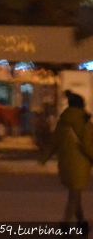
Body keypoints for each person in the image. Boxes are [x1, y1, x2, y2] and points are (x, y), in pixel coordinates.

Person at [41, 90, 93, 224]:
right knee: (74, 196)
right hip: (80, 166)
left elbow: (54, 142)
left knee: (75, 194)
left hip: (65, 164)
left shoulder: (62, 122)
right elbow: (88, 146)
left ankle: (82, 223)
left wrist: (44, 158)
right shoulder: (85, 123)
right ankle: (65, 224)